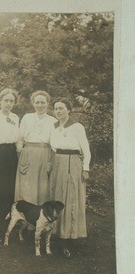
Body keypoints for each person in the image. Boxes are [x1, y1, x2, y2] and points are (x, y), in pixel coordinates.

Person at [50, 97, 91, 258]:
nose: (58, 111)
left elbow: (86, 150)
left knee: (71, 198)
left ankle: (70, 237)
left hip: (72, 163)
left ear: (69, 109)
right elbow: (53, 147)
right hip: (57, 162)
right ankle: (58, 234)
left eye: (61, 108)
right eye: (56, 108)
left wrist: (85, 168)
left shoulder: (77, 127)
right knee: (58, 197)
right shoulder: (54, 126)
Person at [15, 91, 56, 205]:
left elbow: (54, 143)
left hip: (45, 154)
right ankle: (24, 217)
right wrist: (21, 156)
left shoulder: (53, 121)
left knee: (43, 187)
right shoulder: (27, 118)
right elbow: (20, 139)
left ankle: (40, 219)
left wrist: (50, 161)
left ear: (47, 103)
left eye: (43, 102)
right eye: (37, 102)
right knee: (26, 187)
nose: (40, 105)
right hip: (28, 154)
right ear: (33, 103)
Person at [0, 88, 20, 241]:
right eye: (5, 100)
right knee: (0, 191)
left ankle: (10, 228)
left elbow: (18, 139)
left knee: (11, 190)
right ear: (0, 101)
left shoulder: (15, 117)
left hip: (12, 155)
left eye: (11, 101)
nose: (8, 103)